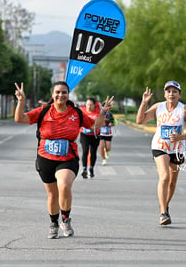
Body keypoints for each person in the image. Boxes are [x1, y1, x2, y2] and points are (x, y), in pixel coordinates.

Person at [14, 81, 114, 239]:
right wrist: (20, 101)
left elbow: (95, 125)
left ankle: (66, 219)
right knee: (52, 195)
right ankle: (54, 223)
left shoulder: (76, 113)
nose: (61, 95)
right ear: (52, 94)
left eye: (64, 92)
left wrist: (102, 112)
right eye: (58, 92)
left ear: (68, 95)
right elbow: (20, 118)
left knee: (64, 185)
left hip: (68, 158)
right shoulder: (43, 111)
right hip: (45, 158)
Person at [136, 81, 186, 226]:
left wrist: (180, 137)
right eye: (168, 91)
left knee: (172, 182)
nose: (171, 94)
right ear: (165, 94)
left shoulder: (184, 110)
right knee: (164, 177)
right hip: (160, 146)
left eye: (174, 91)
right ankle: (163, 213)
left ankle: (165, 206)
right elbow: (140, 120)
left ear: (179, 95)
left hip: (177, 149)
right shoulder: (158, 107)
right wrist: (144, 102)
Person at [79, 98, 101, 178]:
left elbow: (101, 123)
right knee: (85, 151)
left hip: (95, 135)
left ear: (94, 105)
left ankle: (91, 168)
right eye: (87, 104)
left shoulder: (98, 113)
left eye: (91, 105)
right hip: (84, 134)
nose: (89, 106)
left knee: (93, 152)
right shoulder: (82, 111)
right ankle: (84, 169)